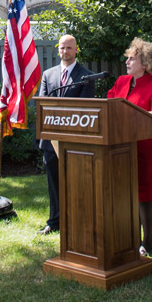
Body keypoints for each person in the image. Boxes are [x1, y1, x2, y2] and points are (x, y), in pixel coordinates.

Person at [106, 38, 152, 257]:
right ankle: (129, 238)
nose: (127, 62)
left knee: (145, 194)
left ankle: (147, 242)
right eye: (128, 58)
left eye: (132, 58)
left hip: (147, 147)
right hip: (122, 145)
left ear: (145, 63)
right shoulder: (122, 81)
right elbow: (109, 106)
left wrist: (130, 118)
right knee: (126, 192)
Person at [37, 34, 96, 235]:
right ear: (58, 49)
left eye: (69, 48)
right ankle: (54, 221)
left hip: (74, 141)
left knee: (76, 183)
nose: (65, 52)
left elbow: (83, 111)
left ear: (76, 49)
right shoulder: (48, 75)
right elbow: (42, 104)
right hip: (50, 141)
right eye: (62, 48)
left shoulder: (86, 77)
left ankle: (77, 220)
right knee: (53, 183)